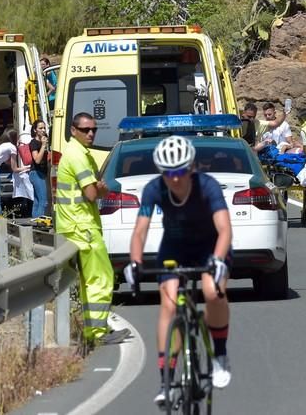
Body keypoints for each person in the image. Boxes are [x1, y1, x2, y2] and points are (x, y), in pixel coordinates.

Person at [124, 135, 232, 408]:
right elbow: (139, 231)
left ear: (192, 167)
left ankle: (219, 355)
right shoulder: (153, 189)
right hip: (174, 248)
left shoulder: (207, 186)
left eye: (181, 170)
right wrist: (135, 263)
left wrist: (218, 259)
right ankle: (167, 381)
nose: (175, 178)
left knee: (211, 291)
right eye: (169, 172)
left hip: (210, 247)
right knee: (169, 306)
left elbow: (225, 229)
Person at [54, 113, 130, 350]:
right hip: (82, 226)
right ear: (73, 130)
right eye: (85, 129)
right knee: (101, 277)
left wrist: (99, 188)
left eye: (93, 130)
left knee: (89, 280)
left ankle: (92, 329)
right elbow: (91, 194)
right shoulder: (78, 156)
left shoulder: (75, 153)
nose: (90, 134)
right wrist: (101, 190)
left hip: (74, 225)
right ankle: (96, 331)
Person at [29, 119, 50, 217]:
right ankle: (40, 223)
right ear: (35, 130)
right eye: (40, 128)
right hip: (36, 173)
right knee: (43, 200)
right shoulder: (34, 143)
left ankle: (35, 221)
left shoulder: (43, 142)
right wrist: (43, 145)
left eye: (44, 128)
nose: (43, 130)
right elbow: (37, 159)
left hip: (41, 173)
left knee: (37, 200)